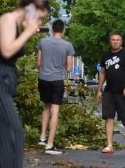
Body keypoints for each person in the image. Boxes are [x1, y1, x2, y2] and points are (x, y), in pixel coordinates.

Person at [0, 0, 50, 168]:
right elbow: (7, 50)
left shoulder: (15, 24)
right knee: (13, 132)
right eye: (39, 17)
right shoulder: (8, 19)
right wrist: (27, 32)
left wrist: (25, 30)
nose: (39, 22)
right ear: (30, 8)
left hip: (1, 83)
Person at [37, 19, 75, 154]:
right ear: (63, 30)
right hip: (57, 80)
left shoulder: (42, 42)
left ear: (52, 30)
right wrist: (62, 64)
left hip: (43, 78)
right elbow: (69, 68)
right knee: (55, 109)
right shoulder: (67, 45)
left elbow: (38, 63)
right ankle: (50, 144)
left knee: (46, 106)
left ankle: (42, 137)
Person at [97, 32, 125, 154]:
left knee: (123, 117)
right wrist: (99, 89)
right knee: (108, 117)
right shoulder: (106, 55)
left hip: (123, 91)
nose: (115, 41)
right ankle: (109, 145)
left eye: (117, 40)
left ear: (121, 41)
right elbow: (103, 73)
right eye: (113, 40)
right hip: (109, 91)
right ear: (110, 41)